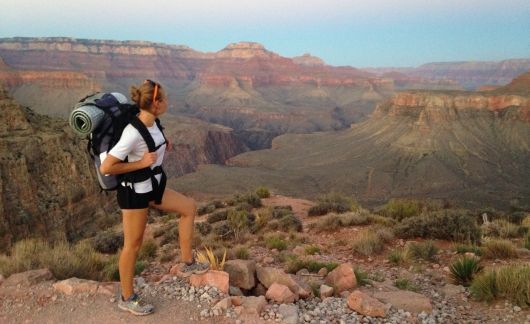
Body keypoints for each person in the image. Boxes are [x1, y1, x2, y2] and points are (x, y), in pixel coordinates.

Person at [100, 80, 208, 316]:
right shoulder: (131, 133)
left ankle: (187, 263)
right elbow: (106, 168)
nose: (168, 101)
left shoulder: (153, 122)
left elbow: (152, 143)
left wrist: (163, 144)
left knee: (189, 208)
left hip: (153, 187)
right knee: (133, 245)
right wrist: (141, 163)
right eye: (165, 98)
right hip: (133, 193)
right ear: (156, 104)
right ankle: (127, 297)